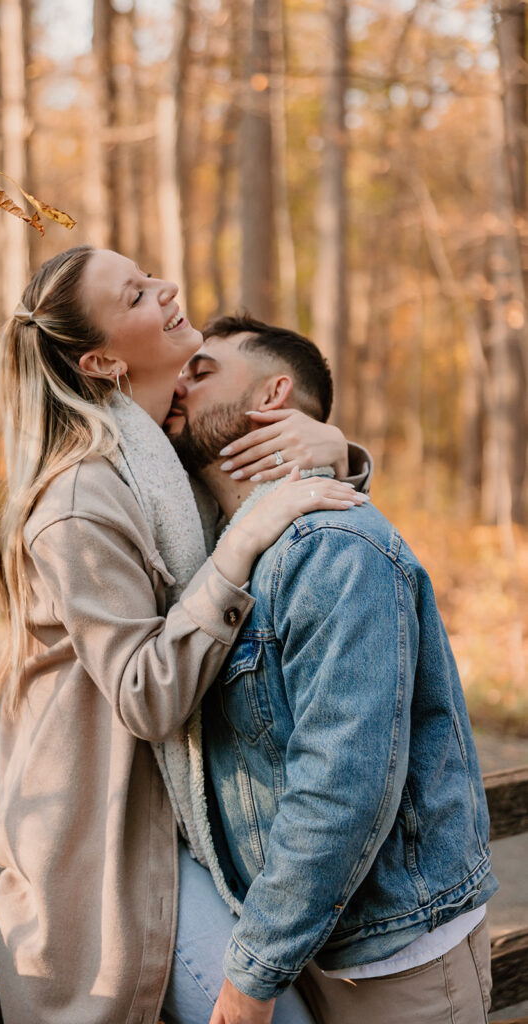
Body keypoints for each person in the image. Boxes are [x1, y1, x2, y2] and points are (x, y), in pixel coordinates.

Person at [0, 246, 370, 1024]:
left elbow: (282, 511)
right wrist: (238, 543)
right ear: (101, 359)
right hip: (114, 841)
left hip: (197, 817)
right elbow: (146, 696)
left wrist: (335, 450)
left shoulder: (170, 461)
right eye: (135, 294)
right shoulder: (83, 497)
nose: (166, 290)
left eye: (149, 276)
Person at [164, 313, 498, 1024]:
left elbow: (342, 785)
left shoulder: (330, 547)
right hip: (303, 940)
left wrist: (252, 975)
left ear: (272, 393)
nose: (178, 384)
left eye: (202, 370)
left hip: (391, 959)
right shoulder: (225, 549)